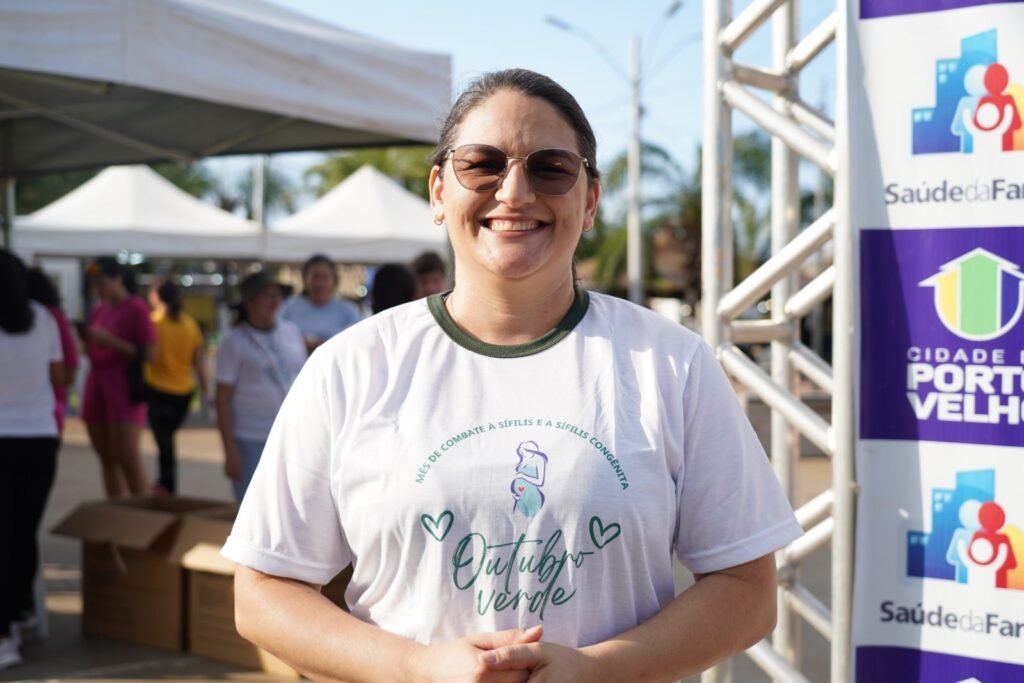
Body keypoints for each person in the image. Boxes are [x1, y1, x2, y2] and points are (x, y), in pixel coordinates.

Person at [223, 69, 801, 682]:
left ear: (590, 201)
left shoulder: (671, 364)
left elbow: (746, 589)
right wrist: (416, 669)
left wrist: (600, 670)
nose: (515, 192)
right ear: (439, 192)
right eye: (482, 164)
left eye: (551, 168)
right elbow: (262, 591)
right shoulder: (352, 366)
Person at [0, 251, 64, 669]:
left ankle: (5, 630)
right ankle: (19, 612)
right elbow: (58, 377)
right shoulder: (44, 318)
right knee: (23, 534)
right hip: (40, 438)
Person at [215, 271, 306, 501]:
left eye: (278, 296)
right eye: (267, 296)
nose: (274, 302)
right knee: (252, 504)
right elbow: (222, 399)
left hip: (290, 435)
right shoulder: (234, 341)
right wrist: (230, 451)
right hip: (250, 438)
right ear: (249, 302)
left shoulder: (291, 332)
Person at [80, 257, 156, 498]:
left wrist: (110, 341)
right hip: (98, 384)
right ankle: (117, 510)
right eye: (95, 284)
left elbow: (150, 353)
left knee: (128, 456)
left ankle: (144, 511)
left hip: (124, 387)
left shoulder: (136, 307)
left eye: (102, 282)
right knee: (107, 457)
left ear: (118, 279)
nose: (98, 288)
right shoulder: (99, 309)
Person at [145, 278, 208, 495]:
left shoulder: (152, 323)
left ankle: (166, 485)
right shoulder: (190, 325)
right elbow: (198, 362)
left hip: (158, 389)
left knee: (164, 441)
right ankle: (166, 484)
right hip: (184, 392)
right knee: (167, 440)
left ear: (156, 296)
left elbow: (148, 356)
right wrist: (205, 390)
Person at [25, 268, 79, 439]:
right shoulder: (53, 316)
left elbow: (69, 367)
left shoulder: (48, 317)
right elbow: (71, 364)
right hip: (47, 410)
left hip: (44, 407)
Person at [280, 254, 362, 354]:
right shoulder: (289, 307)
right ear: (305, 279)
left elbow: (357, 342)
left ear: (334, 281)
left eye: (324, 277)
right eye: (314, 277)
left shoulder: (349, 311)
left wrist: (324, 345)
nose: (319, 283)